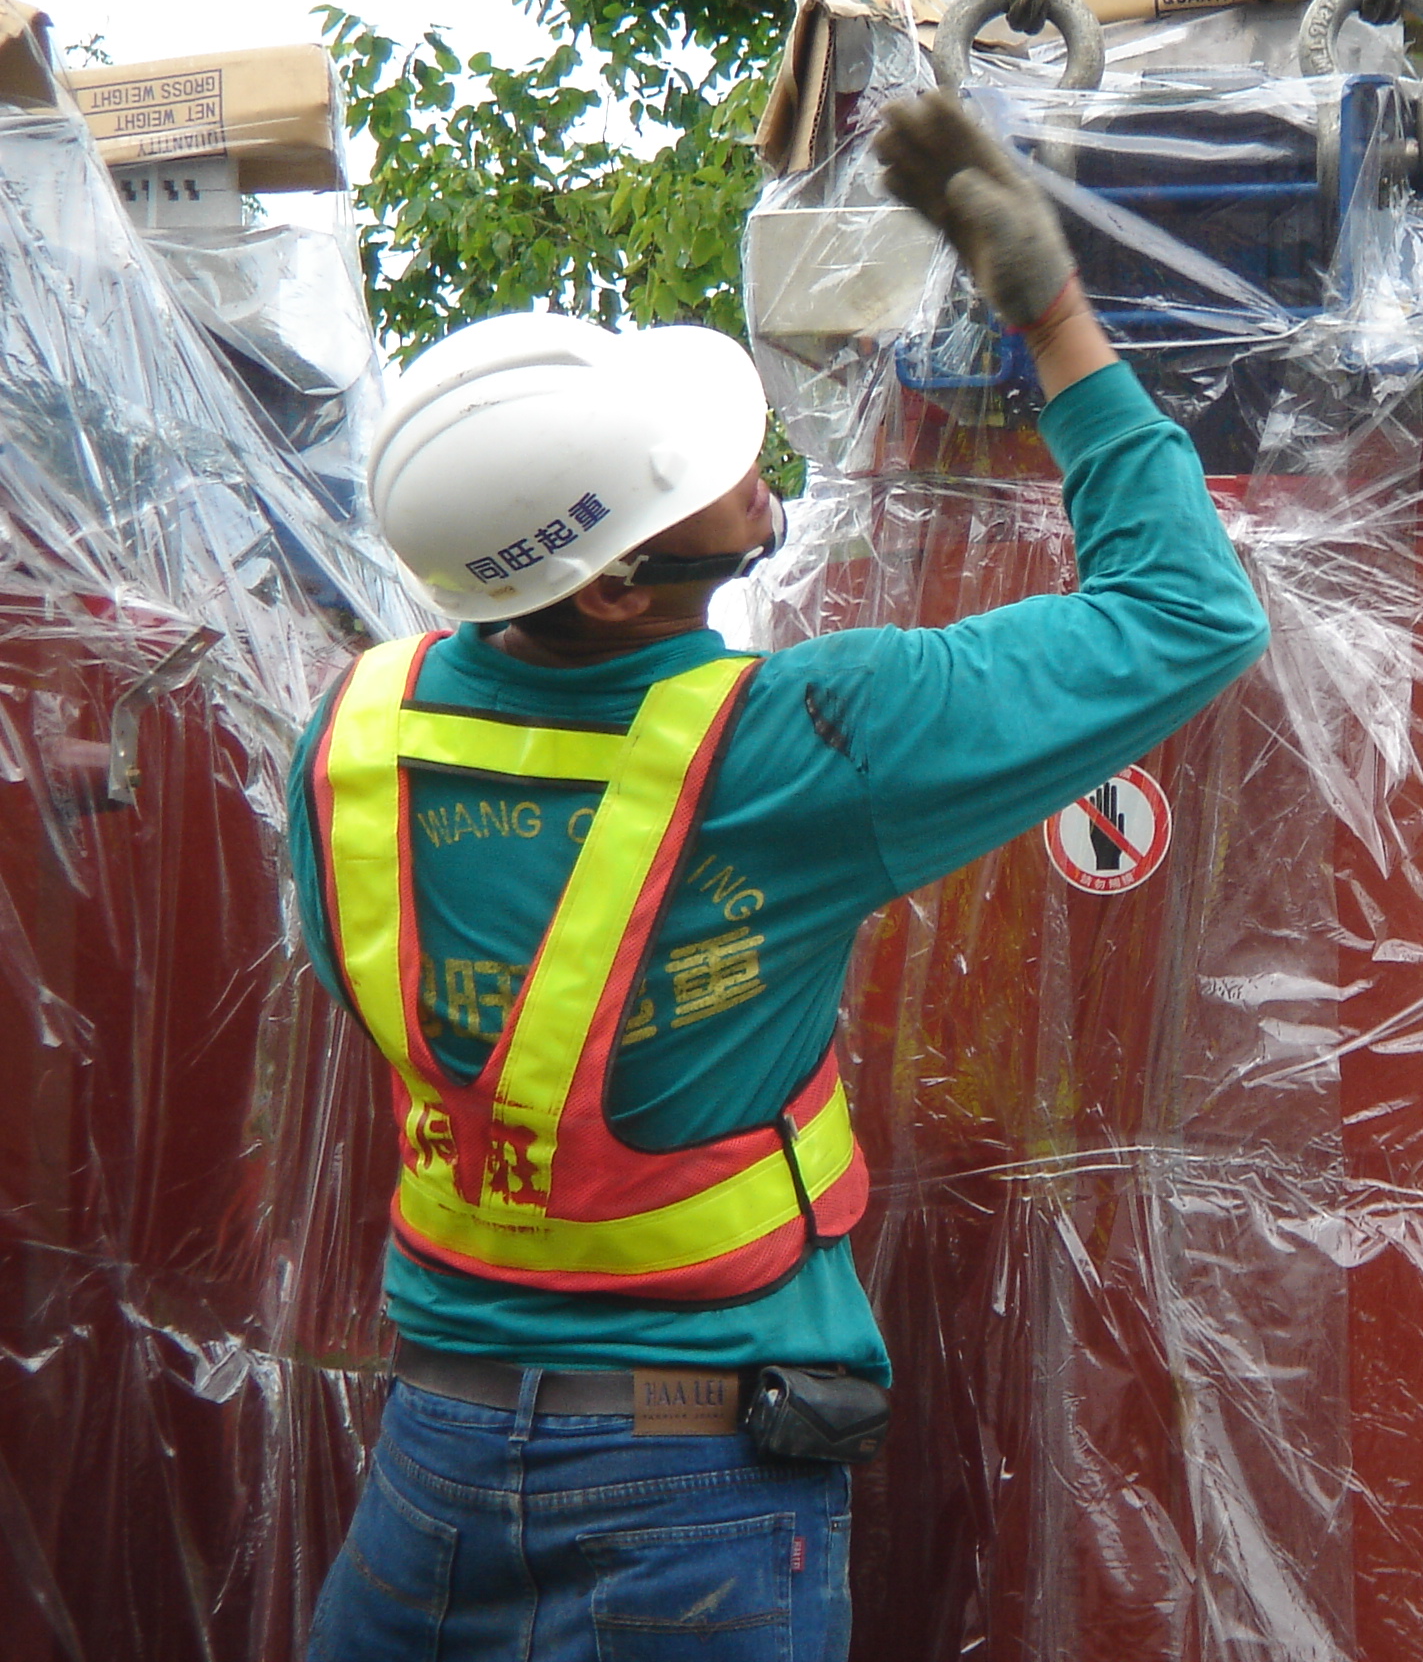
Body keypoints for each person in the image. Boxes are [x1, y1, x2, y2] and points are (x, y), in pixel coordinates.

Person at [292, 91, 1270, 1658]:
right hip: (691, 1488)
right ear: (617, 585)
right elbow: (1190, 615)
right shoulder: (803, 744)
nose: (752, 466)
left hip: (433, 1471)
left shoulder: (352, 737)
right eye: (703, 470)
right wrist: (1052, 313)